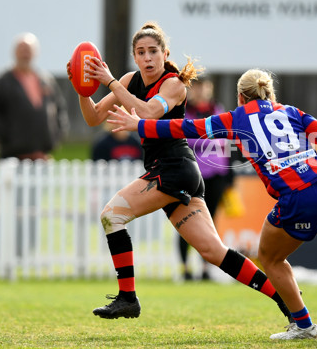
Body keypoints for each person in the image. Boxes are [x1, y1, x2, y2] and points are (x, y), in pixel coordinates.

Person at [107, 68, 317, 340]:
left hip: (298, 193)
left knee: (269, 258)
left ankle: (303, 324)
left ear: (240, 98)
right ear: (269, 94)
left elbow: (185, 127)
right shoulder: (288, 111)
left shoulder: (236, 117)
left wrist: (140, 125)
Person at [68, 22, 293, 323]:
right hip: (174, 173)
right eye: (141, 52)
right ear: (135, 57)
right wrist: (82, 90)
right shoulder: (128, 81)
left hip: (174, 169)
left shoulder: (173, 84)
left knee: (112, 215)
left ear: (165, 54)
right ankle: (285, 298)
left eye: (153, 51)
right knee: (214, 252)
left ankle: (127, 298)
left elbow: (149, 114)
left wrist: (110, 82)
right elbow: (95, 117)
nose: (147, 58)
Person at [178, 75, 236, 280]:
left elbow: (226, 141)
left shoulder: (217, 110)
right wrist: (208, 141)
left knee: (210, 222)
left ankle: (204, 268)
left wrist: (230, 175)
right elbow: (185, 139)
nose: (200, 91)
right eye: (196, 87)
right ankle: (185, 267)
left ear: (210, 89)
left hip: (216, 174)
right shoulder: (184, 111)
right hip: (191, 174)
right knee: (185, 221)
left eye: (204, 87)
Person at [0, 32, 68, 160]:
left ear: (35, 53)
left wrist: (55, 136)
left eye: (28, 50)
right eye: (22, 49)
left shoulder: (46, 80)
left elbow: (60, 109)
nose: (25, 54)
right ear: (14, 52)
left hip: (42, 155)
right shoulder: (4, 81)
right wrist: (10, 137)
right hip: (12, 156)